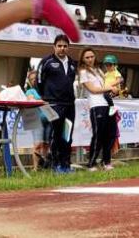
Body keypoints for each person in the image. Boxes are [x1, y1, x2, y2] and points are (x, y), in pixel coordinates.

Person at [36, 34, 78, 173]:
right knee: (56, 134)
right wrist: (47, 97)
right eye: (59, 46)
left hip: (69, 105)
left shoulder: (72, 63)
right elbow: (39, 82)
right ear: (54, 47)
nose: (62, 48)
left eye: (65, 46)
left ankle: (66, 164)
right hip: (53, 104)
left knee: (67, 135)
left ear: (68, 47)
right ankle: (55, 165)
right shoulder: (46, 62)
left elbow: (71, 82)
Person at [77, 48, 118, 171]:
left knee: (110, 134)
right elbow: (93, 90)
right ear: (83, 59)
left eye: (92, 56)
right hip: (96, 106)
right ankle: (92, 163)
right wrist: (109, 87)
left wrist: (113, 89)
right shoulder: (83, 72)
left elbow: (104, 87)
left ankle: (106, 162)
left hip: (108, 104)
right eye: (87, 57)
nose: (90, 59)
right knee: (98, 135)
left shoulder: (100, 70)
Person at [24, 69, 50, 170]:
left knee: (46, 144)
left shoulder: (47, 89)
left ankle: (44, 166)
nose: (34, 80)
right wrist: (43, 101)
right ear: (29, 82)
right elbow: (31, 100)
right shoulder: (29, 91)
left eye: (35, 78)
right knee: (37, 144)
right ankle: (35, 169)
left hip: (49, 119)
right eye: (31, 79)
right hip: (37, 120)